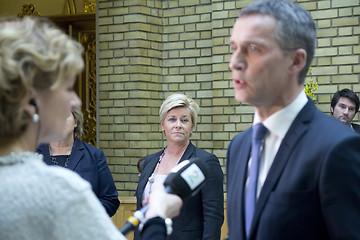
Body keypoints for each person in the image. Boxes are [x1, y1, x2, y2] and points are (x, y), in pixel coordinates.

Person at [0, 16, 182, 240]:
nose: (75, 101)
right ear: (31, 101)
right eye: (67, 88)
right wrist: (157, 214)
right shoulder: (59, 189)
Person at [226, 0, 360, 239]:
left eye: (253, 49)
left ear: (296, 61)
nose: (235, 62)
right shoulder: (238, 147)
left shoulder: (336, 147)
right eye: (234, 48)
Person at [135, 93, 224, 240]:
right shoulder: (149, 162)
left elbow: (213, 218)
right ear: (162, 125)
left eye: (184, 120)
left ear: (192, 126)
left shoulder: (205, 161)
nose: (178, 125)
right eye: (172, 119)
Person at [36, 108, 120, 217]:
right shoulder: (31, 156)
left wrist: (82, 212)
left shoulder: (94, 155)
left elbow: (110, 200)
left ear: (76, 122)